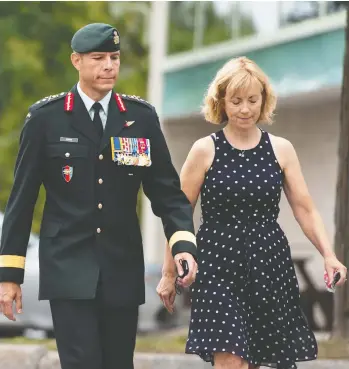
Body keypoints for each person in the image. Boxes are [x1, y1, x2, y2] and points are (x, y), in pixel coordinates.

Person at [0, 23, 197, 369]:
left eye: (115, 57)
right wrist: (9, 276)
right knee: (82, 363)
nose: (109, 65)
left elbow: (168, 194)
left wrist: (183, 244)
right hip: (67, 266)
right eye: (99, 58)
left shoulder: (140, 119)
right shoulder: (46, 119)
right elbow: (22, 200)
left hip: (121, 266)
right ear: (76, 61)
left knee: (118, 363)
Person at [157, 56, 347, 369]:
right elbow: (179, 214)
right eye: (236, 101)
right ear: (221, 102)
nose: (245, 109)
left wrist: (329, 254)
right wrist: (168, 273)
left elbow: (305, 209)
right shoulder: (205, 149)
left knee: (259, 360)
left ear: (263, 100)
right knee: (231, 360)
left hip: (268, 263)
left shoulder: (281, 149)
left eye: (252, 100)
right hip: (217, 264)